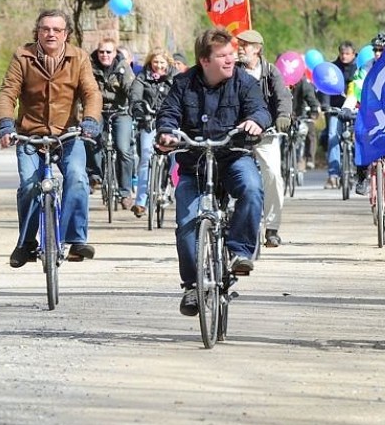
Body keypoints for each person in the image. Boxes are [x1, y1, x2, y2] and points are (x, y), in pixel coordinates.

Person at [156, 28, 270, 316]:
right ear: (205, 61)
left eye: (232, 54)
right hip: (194, 162)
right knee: (186, 223)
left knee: (252, 188)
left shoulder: (244, 81)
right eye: (223, 56)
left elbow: (260, 109)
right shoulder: (183, 84)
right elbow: (168, 114)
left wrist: (255, 121)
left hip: (233, 157)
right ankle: (193, 285)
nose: (231, 59)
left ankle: (240, 251)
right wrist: (167, 134)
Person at [0, 9, 103, 266]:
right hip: (30, 136)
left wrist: (90, 120)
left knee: (77, 177)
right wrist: (6, 124)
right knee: (30, 186)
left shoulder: (78, 57)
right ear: (38, 31)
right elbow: (7, 92)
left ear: (65, 34)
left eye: (57, 29)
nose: (51, 34)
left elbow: (91, 92)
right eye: (45, 29)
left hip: (68, 135)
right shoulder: (23, 56)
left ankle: (75, 240)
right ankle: (27, 243)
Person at [236, 30, 292, 248]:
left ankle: (272, 228)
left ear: (257, 48)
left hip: (266, 133)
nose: (241, 48)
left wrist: (284, 116)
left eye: (246, 45)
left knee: (273, 175)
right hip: (238, 134)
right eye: (239, 44)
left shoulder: (271, 72)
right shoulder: (232, 72)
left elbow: (283, 96)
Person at [85, 38, 136, 209]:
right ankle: (95, 176)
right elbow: (83, 90)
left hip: (121, 111)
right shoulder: (89, 66)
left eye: (108, 52)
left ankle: (125, 192)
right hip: (97, 110)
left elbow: (132, 89)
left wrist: (136, 105)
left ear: (115, 53)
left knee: (123, 148)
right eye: (101, 52)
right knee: (90, 138)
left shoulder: (122, 68)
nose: (104, 55)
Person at [345, 32, 385, 196]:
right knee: (360, 133)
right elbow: (355, 88)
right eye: (376, 50)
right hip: (370, 112)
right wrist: (347, 107)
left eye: (382, 50)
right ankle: (362, 175)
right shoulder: (366, 67)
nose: (378, 54)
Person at [129, 47, 175, 218]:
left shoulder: (174, 78)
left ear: (167, 63)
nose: (158, 65)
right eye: (155, 61)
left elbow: (181, 96)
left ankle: (167, 186)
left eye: (162, 62)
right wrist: (138, 107)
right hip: (149, 121)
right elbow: (135, 94)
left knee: (175, 155)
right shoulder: (142, 77)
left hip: (170, 123)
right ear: (150, 62)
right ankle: (141, 201)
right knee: (146, 156)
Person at [319, 41, 357, 188]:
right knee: (332, 137)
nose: (344, 56)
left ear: (353, 54)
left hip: (354, 109)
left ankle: (357, 171)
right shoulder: (333, 68)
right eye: (342, 53)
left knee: (358, 138)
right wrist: (325, 105)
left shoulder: (359, 69)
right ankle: (333, 175)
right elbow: (325, 86)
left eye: (347, 54)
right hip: (336, 109)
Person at [291, 76, 320, 170]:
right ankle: (282, 161)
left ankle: (310, 159)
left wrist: (314, 109)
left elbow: (310, 96)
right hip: (286, 114)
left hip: (301, 113)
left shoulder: (303, 82)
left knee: (310, 132)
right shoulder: (279, 79)